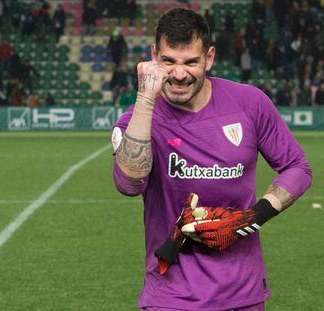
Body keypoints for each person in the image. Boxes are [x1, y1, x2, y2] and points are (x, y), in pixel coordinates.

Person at [111, 8, 311, 311]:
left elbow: (298, 167)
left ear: (209, 57)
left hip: (243, 293)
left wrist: (251, 219)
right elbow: (128, 183)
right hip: (171, 296)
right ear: (153, 56)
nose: (179, 74)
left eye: (191, 62)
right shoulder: (140, 117)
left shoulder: (249, 103)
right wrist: (145, 98)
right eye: (168, 61)